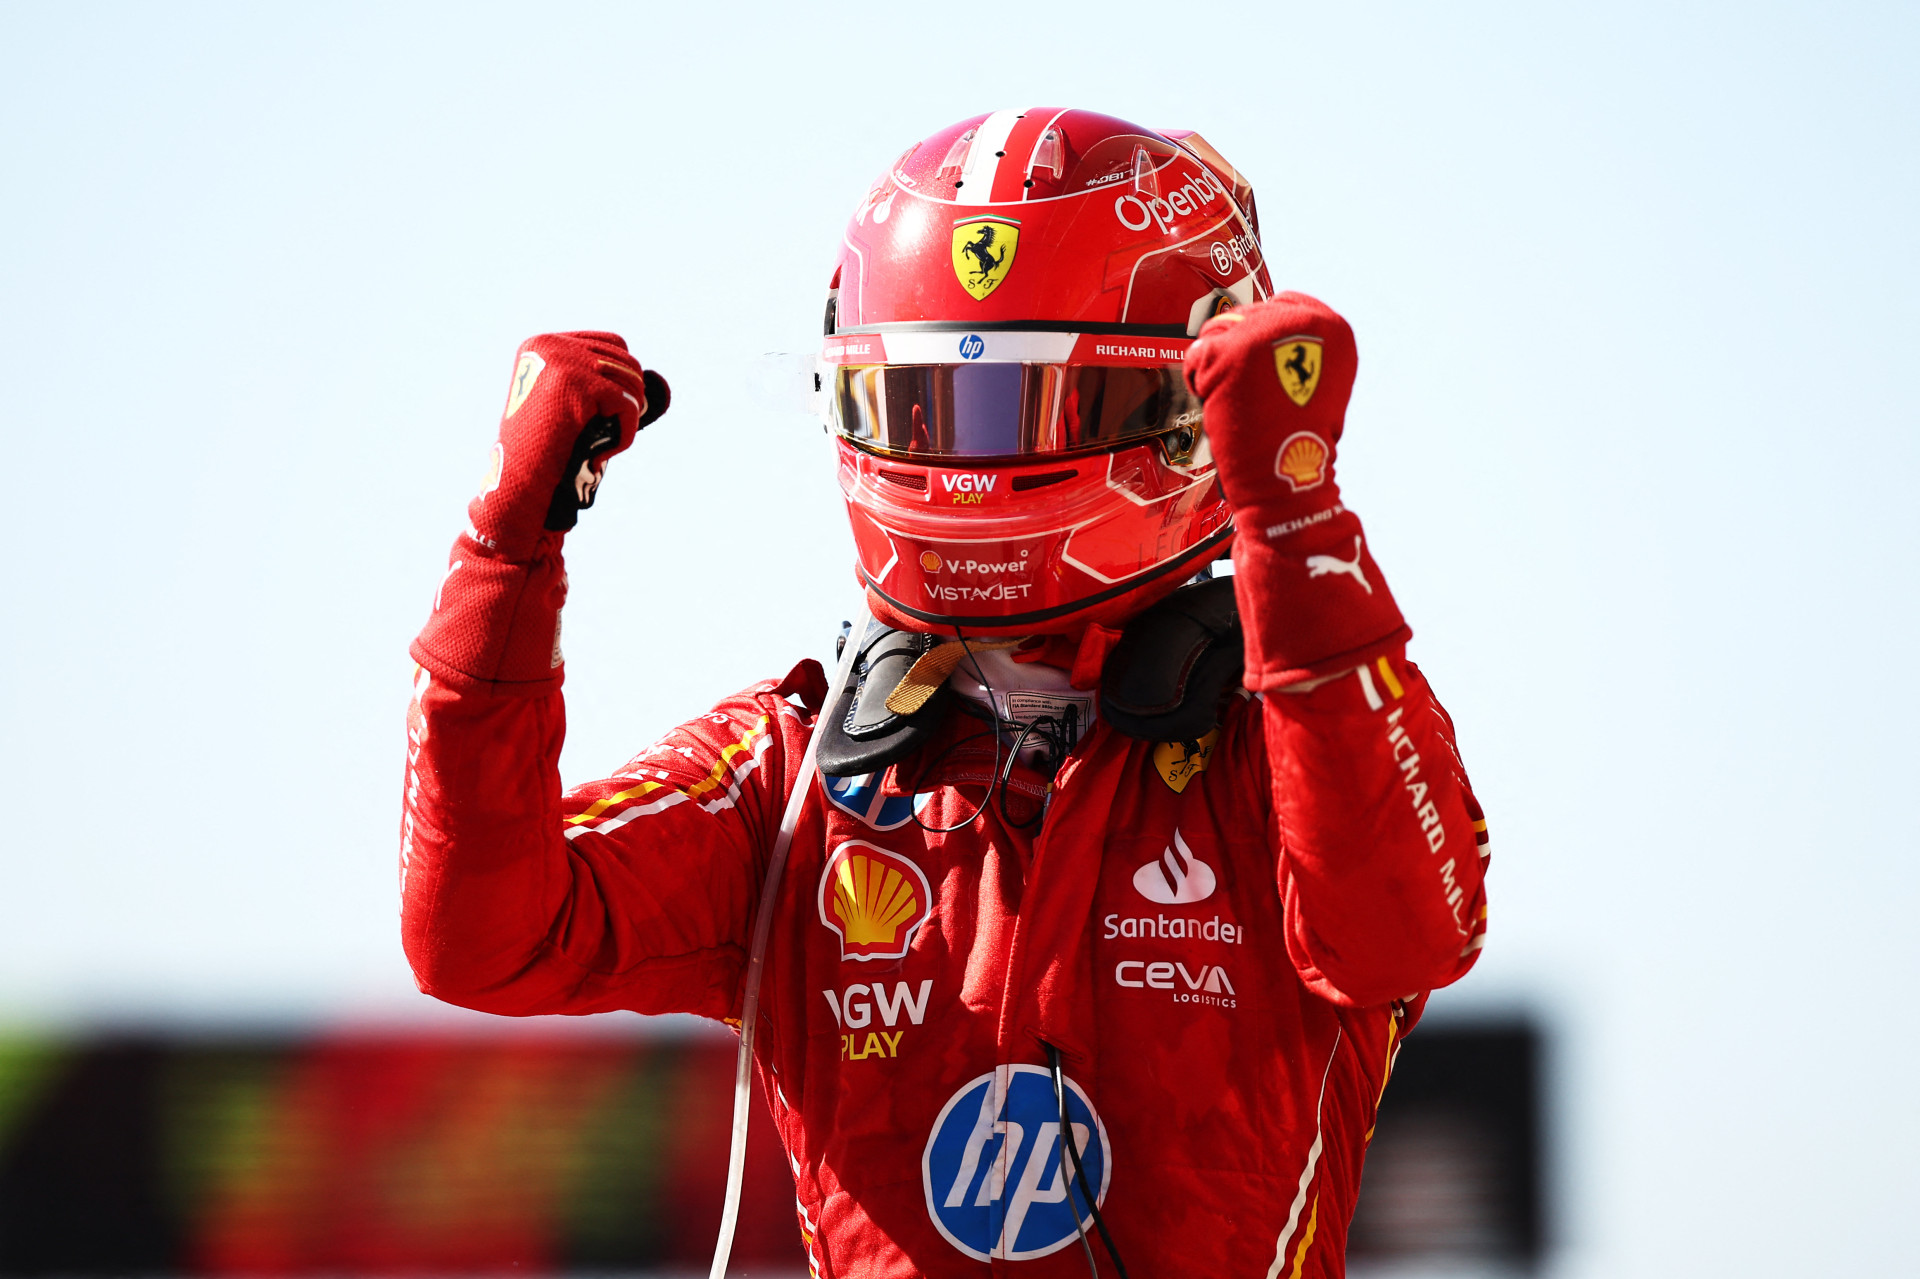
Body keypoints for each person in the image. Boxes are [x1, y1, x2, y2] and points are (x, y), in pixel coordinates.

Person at [400, 108, 1489, 1278]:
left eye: (1025, 410)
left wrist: (1298, 519)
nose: (967, 467)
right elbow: (480, 939)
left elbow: (1404, 936)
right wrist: (504, 557)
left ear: (1186, 416)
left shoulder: (1298, 741)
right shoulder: (790, 777)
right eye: (923, 408)